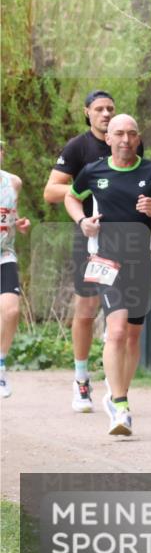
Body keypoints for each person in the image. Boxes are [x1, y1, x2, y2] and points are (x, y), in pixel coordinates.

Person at [64, 115, 151, 435]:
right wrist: (82, 222)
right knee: (115, 331)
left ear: (138, 138)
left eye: (131, 134)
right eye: (118, 134)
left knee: (132, 335)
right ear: (109, 139)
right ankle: (121, 406)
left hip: (140, 262)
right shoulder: (94, 171)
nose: (125, 140)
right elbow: (71, 197)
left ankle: (119, 394)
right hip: (105, 260)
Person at [43, 90, 145, 413]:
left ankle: (116, 387)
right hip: (89, 236)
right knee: (86, 308)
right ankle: (81, 378)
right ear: (87, 112)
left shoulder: (130, 142)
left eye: (110, 108)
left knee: (124, 321)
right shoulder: (78, 147)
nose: (105, 113)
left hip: (126, 241)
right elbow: (51, 191)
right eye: (99, 109)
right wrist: (93, 186)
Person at [0, 140, 32, 398]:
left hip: (4, 255)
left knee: (11, 312)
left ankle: (0, 366)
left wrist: (19, 223)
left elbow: (12, 214)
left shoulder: (13, 182)